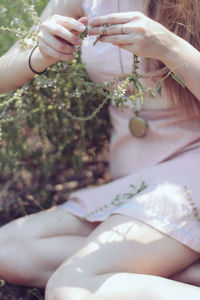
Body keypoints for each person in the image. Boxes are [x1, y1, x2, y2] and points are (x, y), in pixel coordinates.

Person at [0, 0, 200, 299]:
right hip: (137, 180)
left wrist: (169, 46)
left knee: (74, 288)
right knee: (10, 250)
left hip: (190, 174)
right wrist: (40, 53)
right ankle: (185, 271)